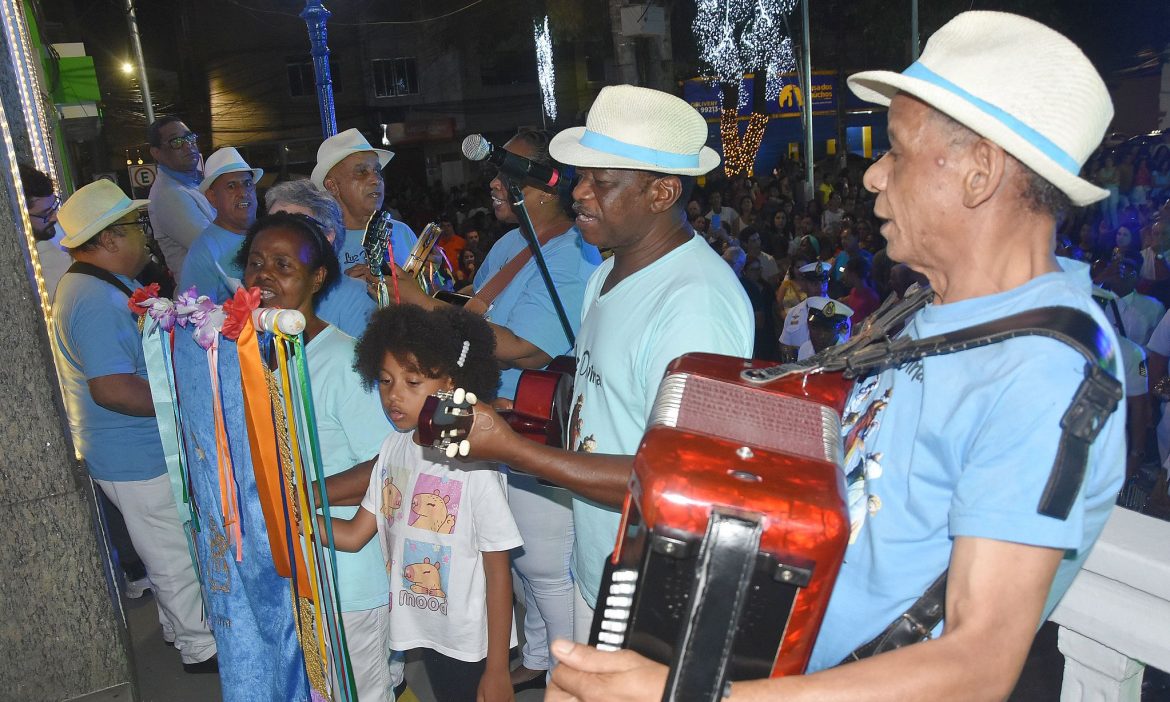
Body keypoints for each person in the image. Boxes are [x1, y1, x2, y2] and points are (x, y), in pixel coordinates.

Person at [545, 12, 1125, 701]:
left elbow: (978, 663)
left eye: (897, 152)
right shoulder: (931, 313)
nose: (874, 176)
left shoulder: (1041, 372)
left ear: (980, 172)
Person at [443, 85, 754, 644]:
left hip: (654, 592)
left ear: (662, 192)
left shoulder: (695, 305)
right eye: (581, 176)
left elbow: (683, 480)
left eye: (601, 181)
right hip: (600, 566)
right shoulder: (605, 275)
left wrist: (515, 451)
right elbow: (609, 407)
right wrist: (525, 419)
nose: (579, 193)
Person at [339, 128, 602, 691]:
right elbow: (470, 313)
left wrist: (418, 300)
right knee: (518, 568)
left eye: (510, 173)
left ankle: (565, 679)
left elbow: (522, 346)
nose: (494, 183)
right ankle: (535, 656)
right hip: (479, 417)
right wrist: (418, 294)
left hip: (528, 421)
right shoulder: (511, 245)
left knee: (542, 566)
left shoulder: (572, 255)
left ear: (545, 187)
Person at [53, 180, 217, 673]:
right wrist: (187, 402)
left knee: (169, 545)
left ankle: (178, 628)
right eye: (136, 225)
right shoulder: (93, 298)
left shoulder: (104, 285)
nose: (145, 234)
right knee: (172, 552)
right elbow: (112, 388)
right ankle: (199, 646)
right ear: (107, 239)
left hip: (138, 448)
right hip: (134, 453)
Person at [236, 212, 399, 700]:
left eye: (282, 264)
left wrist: (298, 498)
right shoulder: (251, 355)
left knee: (358, 690)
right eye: (255, 262)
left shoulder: (344, 360)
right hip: (289, 563)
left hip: (345, 575)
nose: (264, 275)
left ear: (317, 277)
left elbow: (389, 462)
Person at [325, 304, 522, 702]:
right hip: (422, 628)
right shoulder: (392, 449)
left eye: (412, 382)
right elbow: (354, 534)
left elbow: (498, 570)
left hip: (470, 642)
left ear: (450, 383)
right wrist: (292, 514)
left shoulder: (473, 462)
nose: (394, 395)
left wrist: (499, 669)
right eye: (385, 381)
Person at [265, 179, 378, 338]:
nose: (278, 237)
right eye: (271, 225)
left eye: (295, 226)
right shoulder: (258, 291)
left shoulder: (356, 297)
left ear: (327, 236)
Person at [311, 128, 417, 276]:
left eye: (377, 171)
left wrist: (430, 274)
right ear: (332, 186)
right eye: (361, 172)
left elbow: (432, 288)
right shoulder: (319, 246)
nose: (376, 180)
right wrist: (345, 285)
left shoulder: (401, 232)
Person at [177, 147, 262, 302]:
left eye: (248, 184)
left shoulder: (270, 234)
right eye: (231, 186)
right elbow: (194, 313)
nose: (243, 192)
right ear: (212, 197)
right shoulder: (203, 251)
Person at [146, 116, 214, 275]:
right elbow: (210, 245)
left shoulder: (197, 180)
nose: (188, 145)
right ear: (156, 152)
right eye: (176, 142)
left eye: (190, 138)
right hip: (204, 287)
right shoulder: (168, 195)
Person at [18, 163, 71, 299]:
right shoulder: (29, 262)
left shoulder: (60, 237)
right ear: (20, 216)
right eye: (45, 213)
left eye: (54, 207)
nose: (55, 217)